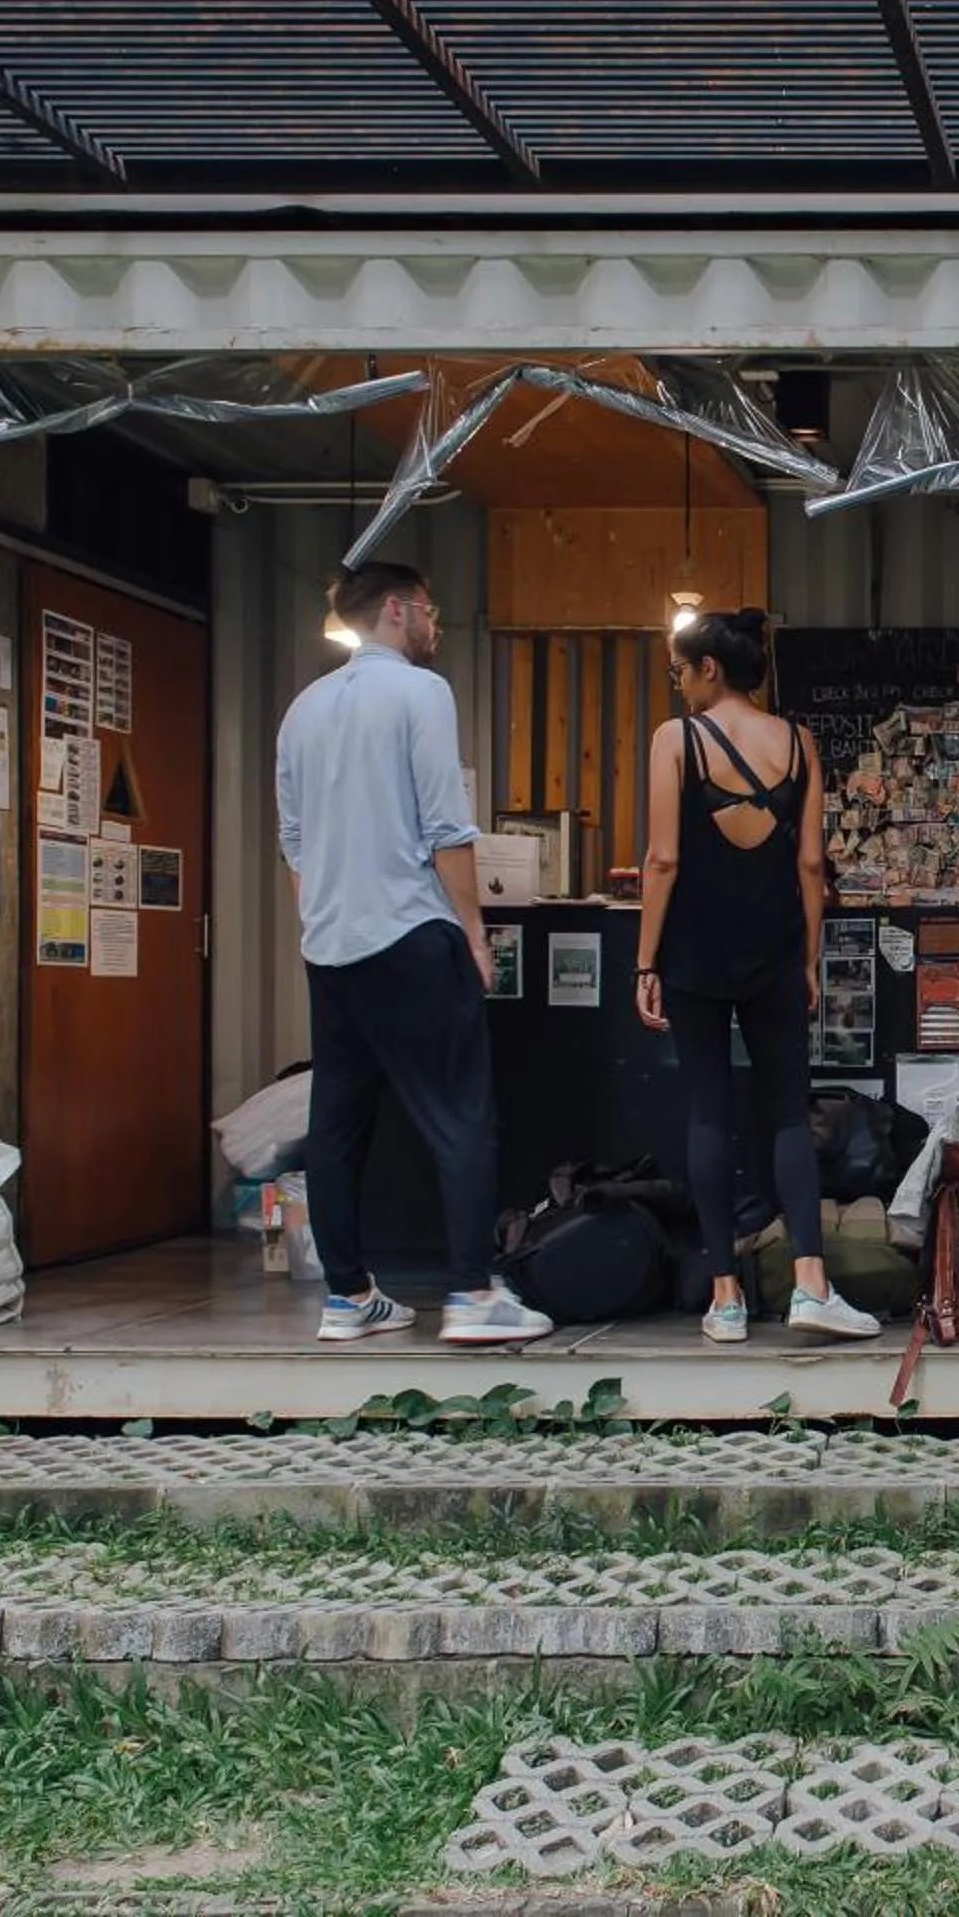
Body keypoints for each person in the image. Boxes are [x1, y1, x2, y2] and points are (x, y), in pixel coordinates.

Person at [275, 562, 549, 1347]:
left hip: (329, 945)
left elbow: (294, 840)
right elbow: (445, 828)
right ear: (395, 611)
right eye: (429, 611)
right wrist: (473, 931)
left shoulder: (302, 709)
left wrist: (326, 915)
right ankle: (470, 1294)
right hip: (409, 933)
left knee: (336, 1123)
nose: (436, 624)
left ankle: (347, 1296)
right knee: (461, 1115)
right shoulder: (422, 693)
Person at [633, 609, 881, 1347]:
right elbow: (810, 866)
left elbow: (664, 861)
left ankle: (727, 1300)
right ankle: (810, 1285)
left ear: (710, 668)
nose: (678, 684)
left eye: (680, 670)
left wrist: (646, 960)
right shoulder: (800, 744)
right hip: (773, 950)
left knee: (709, 1114)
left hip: (694, 952)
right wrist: (807, 958)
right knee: (784, 1112)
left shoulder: (675, 741)